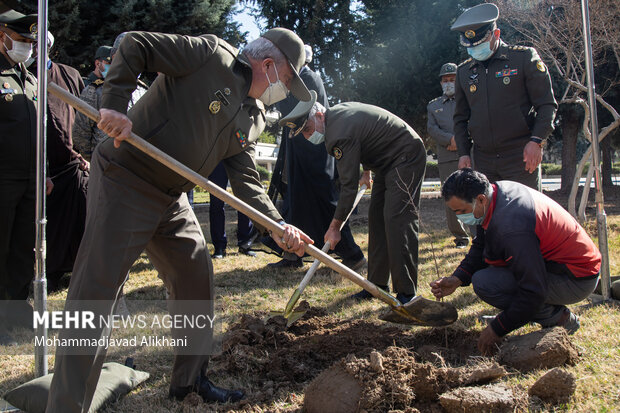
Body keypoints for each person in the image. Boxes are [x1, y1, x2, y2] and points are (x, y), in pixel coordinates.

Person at [46, 28, 313, 412]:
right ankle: (67, 405)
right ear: (269, 65)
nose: (286, 92)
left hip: (172, 197)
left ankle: (189, 382)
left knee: (196, 279)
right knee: (96, 290)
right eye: (288, 81)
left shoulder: (253, 115)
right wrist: (116, 104)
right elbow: (136, 45)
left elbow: (245, 177)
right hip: (127, 177)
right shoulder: (210, 56)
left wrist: (276, 224)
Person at [430, 169, 601, 355]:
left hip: (576, 278)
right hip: (553, 266)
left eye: (461, 211)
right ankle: (525, 314)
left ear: (480, 199)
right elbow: (481, 245)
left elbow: (533, 290)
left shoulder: (512, 228)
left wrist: (498, 327)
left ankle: (559, 319)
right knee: (486, 277)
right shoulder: (495, 195)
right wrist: (458, 278)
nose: (460, 217)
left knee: (486, 284)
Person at [280, 91, 426, 304]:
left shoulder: (338, 134)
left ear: (320, 115)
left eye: (308, 129)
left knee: (397, 219)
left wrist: (334, 227)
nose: (308, 137)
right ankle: (375, 286)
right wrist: (366, 171)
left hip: (405, 156)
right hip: (386, 162)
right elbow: (368, 135)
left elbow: (347, 187)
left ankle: (406, 293)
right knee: (377, 219)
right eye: (303, 133)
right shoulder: (337, 116)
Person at [269, 44, 365, 269]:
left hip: (313, 153)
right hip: (298, 151)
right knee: (295, 201)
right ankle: (292, 254)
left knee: (324, 200)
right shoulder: (296, 78)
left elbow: (304, 115)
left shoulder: (308, 78)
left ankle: (352, 254)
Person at [451, 3, 557, 190]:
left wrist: (537, 140)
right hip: (483, 160)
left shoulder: (523, 58)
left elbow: (546, 105)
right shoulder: (464, 72)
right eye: (471, 46)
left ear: (496, 34)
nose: (475, 50)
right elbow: (460, 118)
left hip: (521, 154)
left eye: (480, 44)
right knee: (492, 217)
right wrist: (463, 153)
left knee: (524, 214)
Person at [0, 9, 39, 346]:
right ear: (3, 37)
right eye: (22, 40)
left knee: (23, 248)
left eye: (30, 42)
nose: (27, 47)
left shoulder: (30, 79)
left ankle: (16, 308)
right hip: (3, 178)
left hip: (30, 180)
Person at [45, 31, 89, 292]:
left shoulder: (69, 75)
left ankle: (75, 271)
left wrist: (85, 154)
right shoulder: (23, 77)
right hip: (41, 169)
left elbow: (83, 118)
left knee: (78, 220)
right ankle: (47, 274)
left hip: (73, 165)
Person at [427, 62, 470, 248]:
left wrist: (460, 140)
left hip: (469, 153)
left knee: (474, 194)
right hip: (447, 157)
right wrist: (449, 139)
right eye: (445, 80)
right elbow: (431, 128)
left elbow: (474, 122)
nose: (449, 83)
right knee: (450, 196)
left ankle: (479, 234)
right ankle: (461, 237)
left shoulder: (468, 100)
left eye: (452, 79)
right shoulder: (433, 105)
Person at [208, 161, 256, 258]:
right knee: (216, 201)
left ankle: (245, 244)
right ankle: (219, 247)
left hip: (238, 152)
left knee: (244, 200)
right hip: (217, 155)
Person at [72, 45, 112, 160]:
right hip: (99, 157)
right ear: (97, 63)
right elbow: (81, 131)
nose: (112, 66)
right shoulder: (90, 87)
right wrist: (91, 158)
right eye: (108, 63)